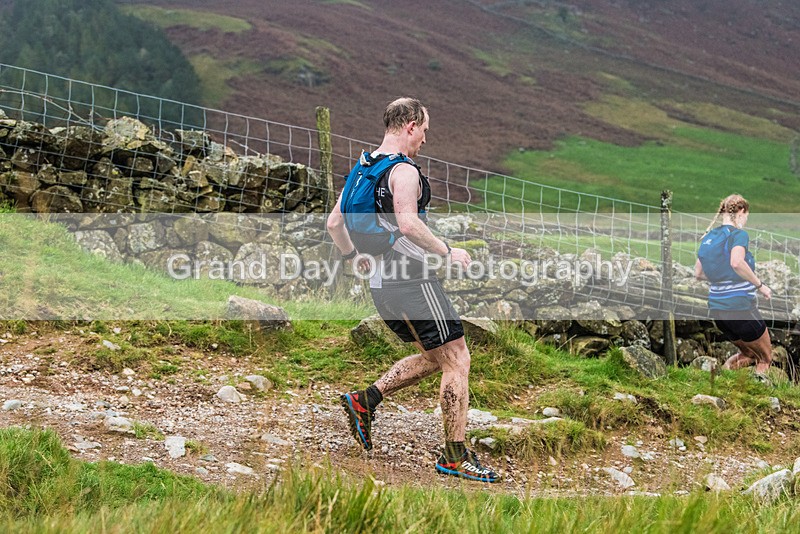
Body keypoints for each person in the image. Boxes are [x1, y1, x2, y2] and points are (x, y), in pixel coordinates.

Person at [326, 97, 501, 483]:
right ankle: (454, 456)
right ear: (409, 126)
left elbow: (334, 223)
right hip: (411, 278)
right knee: (457, 357)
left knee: (434, 355)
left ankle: (364, 400)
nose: (425, 138)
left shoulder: (361, 168)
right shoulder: (403, 171)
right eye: (424, 130)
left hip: (380, 285)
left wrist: (354, 258)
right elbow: (407, 224)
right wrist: (447, 251)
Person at [695, 194, 773, 380]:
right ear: (741, 211)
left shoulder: (708, 237)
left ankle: (723, 382)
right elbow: (737, 262)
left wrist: (723, 277)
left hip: (717, 310)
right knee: (765, 358)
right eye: (747, 215)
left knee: (748, 354)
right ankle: (759, 397)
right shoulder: (738, 235)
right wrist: (760, 285)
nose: (746, 220)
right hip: (740, 308)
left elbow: (698, 273)